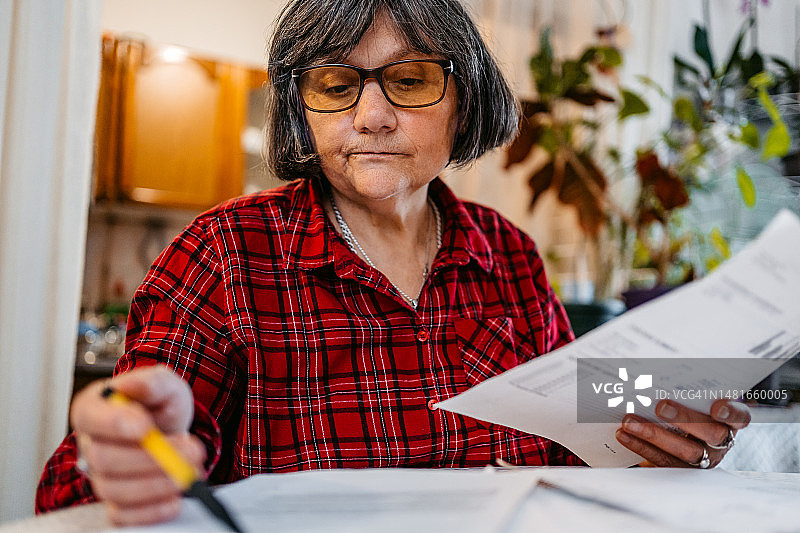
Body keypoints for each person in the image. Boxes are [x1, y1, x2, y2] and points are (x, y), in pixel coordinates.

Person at [36, 0, 750, 526]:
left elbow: (570, 460)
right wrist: (120, 445)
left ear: (464, 98)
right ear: (301, 111)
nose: (371, 116)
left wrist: (654, 444)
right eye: (335, 85)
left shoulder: (509, 253)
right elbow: (80, 485)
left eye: (407, 81)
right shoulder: (223, 252)